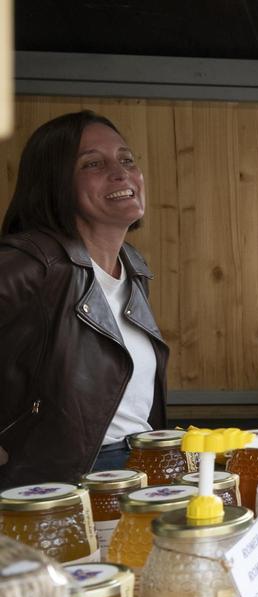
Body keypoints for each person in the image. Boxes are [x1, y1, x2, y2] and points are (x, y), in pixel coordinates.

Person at [0, 110, 168, 488]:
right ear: (54, 184)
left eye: (127, 160)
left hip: (138, 465)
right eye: (93, 163)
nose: (121, 172)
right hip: (59, 485)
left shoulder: (133, 265)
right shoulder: (32, 263)